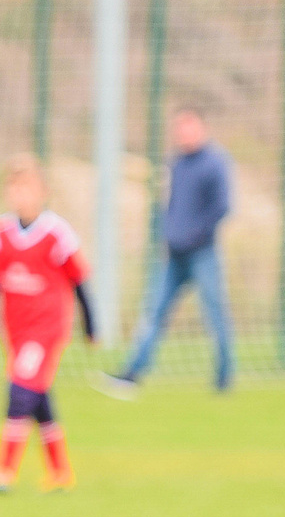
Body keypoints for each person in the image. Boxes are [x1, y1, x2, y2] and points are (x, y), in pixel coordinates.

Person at [0, 153, 95, 492]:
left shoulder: (57, 233)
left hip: (47, 329)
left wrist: (91, 326)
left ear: (43, 191)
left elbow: (80, 283)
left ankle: (4, 470)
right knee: (38, 397)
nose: (21, 195)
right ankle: (60, 471)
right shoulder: (1, 233)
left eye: (28, 188)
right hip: (15, 330)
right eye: (15, 188)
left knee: (20, 391)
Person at [100, 105, 234, 396]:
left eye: (189, 126)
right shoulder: (176, 163)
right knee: (154, 312)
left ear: (201, 128)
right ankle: (132, 373)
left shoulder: (215, 163)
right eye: (179, 128)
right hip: (174, 255)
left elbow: (222, 207)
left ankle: (225, 378)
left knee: (215, 313)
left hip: (203, 253)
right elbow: (171, 205)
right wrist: (169, 234)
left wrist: (196, 234)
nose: (183, 133)